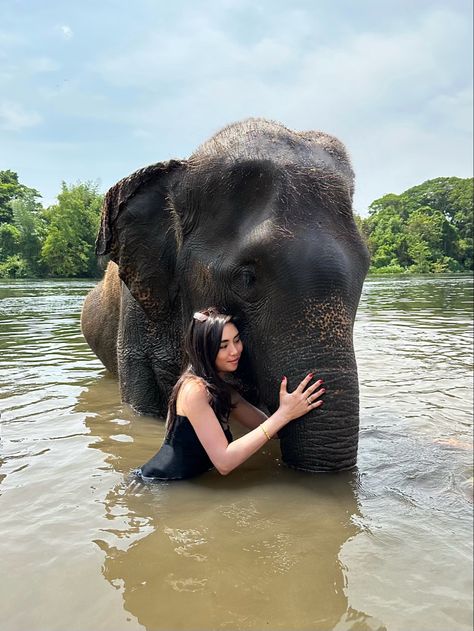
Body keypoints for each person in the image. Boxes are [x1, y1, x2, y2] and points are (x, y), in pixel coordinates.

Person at [134, 308, 325, 481]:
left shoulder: (222, 390)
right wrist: (284, 414)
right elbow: (224, 463)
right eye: (223, 346)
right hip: (159, 484)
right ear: (205, 350)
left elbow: (271, 431)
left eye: (236, 340)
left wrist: (290, 408)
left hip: (184, 483)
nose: (235, 351)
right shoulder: (195, 390)